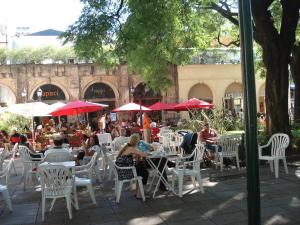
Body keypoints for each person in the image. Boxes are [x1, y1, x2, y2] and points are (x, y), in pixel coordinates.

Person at [115, 134, 149, 198]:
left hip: (122, 170)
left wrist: (136, 156)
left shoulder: (127, 147)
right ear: (136, 142)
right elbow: (144, 155)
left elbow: (135, 158)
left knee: (141, 168)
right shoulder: (131, 149)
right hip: (125, 172)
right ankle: (139, 194)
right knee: (145, 172)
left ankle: (138, 192)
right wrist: (149, 153)